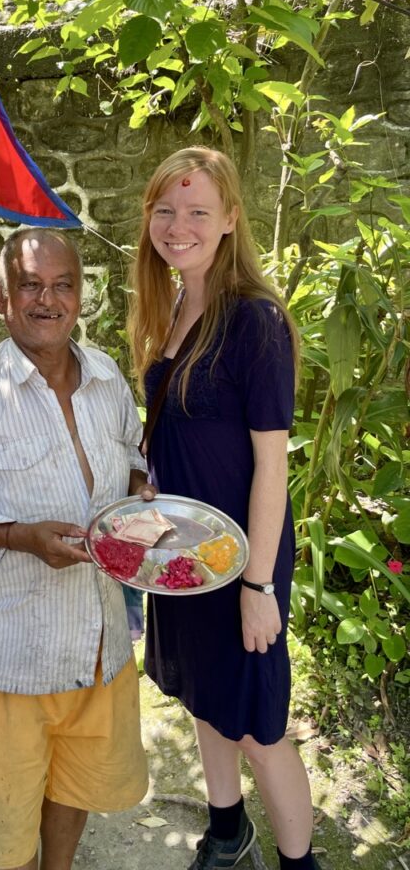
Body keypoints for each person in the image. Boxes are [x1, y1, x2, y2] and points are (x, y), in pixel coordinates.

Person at [0, 227, 150, 870]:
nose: (48, 300)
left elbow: (133, 456)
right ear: (0, 297)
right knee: (6, 822)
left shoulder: (107, 377)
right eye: (30, 285)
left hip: (99, 642)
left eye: (63, 285)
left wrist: (141, 492)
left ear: (80, 295)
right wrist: (19, 536)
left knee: (75, 783)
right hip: (13, 652)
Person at [127, 147, 321, 870]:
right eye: (165, 210)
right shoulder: (175, 304)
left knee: (260, 730)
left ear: (231, 220)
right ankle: (227, 829)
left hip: (243, 561)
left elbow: (272, 466)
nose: (178, 226)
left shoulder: (255, 322)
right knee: (203, 697)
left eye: (198, 211)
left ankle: (301, 864)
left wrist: (258, 585)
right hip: (182, 550)